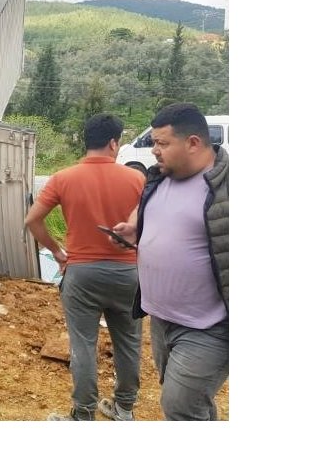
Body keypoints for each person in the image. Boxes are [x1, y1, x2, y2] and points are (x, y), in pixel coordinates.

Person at [111, 102, 228, 420]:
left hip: (208, 325)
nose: (155, 151)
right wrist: (134, 226)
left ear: (193, 143)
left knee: (179, 406)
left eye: (162, 143)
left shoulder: (227, 187)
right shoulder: (161, 176)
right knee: (192, 404)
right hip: (161, 319)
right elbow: (148, 206)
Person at [26, 113, 146, 421]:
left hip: (82, 274)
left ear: (86, 141)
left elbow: (32, 220)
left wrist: (57, 251)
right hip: (128, 275)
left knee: (83, 346)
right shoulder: (137, 179)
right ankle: (124, 408)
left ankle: (83, 415)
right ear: (113, 143)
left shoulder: (63, 178)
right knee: (129, 343)